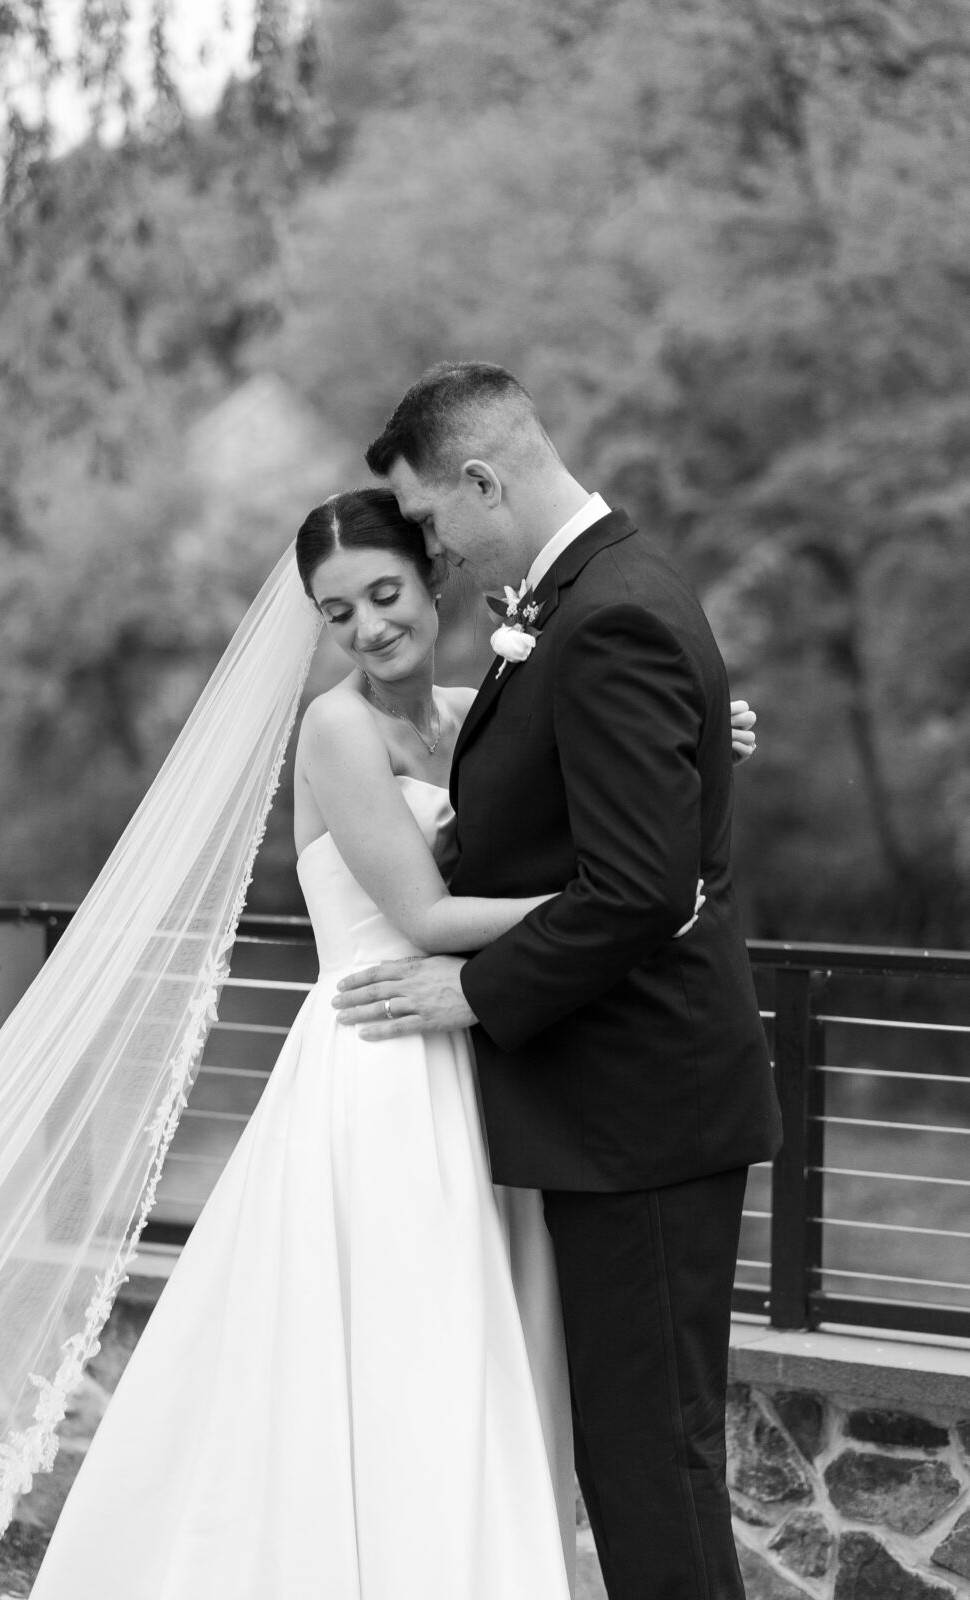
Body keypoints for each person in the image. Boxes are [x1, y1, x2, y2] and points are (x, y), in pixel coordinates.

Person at [9, 488, 751, 1600]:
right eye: (336, 611)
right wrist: (629, 899)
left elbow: (605, 761)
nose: (367, 628)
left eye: (385, 593)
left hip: (487, 1063)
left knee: (475, 1369)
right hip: (379, 1063)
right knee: (386, 1356)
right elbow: (426, 920)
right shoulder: (335, 730)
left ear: (434, 577)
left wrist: (703, 732)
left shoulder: (481, 710)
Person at [332, 363, 784, 1600]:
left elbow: (639, 888)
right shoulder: (587, 604)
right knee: (637, 1451)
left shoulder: (609, 612)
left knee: (649, 1459)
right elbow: (589, 814)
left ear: (483, 480)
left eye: (429, 523)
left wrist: (472, 992)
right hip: (616, 1107)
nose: (432, 551)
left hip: (640, 1110)